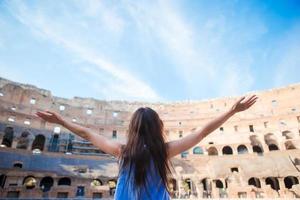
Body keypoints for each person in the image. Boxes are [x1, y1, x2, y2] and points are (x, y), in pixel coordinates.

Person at [36, 95, 257, 199]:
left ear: (132, 129)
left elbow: (86, 133)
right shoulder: (165, 151)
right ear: (157, 127)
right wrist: (231, 112)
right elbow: (202, 133)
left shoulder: (122, 152)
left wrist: (62, 121)